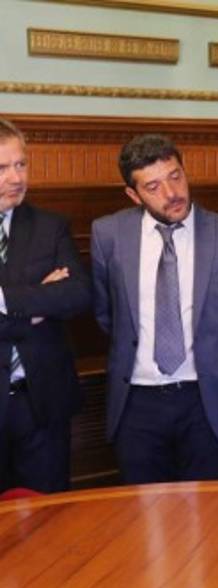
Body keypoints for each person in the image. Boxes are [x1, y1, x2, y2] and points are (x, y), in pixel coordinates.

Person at [91, 134, 218, 484]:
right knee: (144, 508)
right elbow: (106, 313)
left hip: (206, 398)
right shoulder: (109, 234)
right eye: (153, 186)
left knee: (211, 507)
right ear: (133, 195)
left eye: (175, 176)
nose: (171, 193)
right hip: (137, 400)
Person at [0, 117, 91, 493]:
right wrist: (38, 303)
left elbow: (78, 294)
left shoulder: (50, 226)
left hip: (42, 403)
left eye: (21, 164)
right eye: (2, 168)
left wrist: (6, 300)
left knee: (49, 518)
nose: (16, 178)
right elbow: (54, 300)